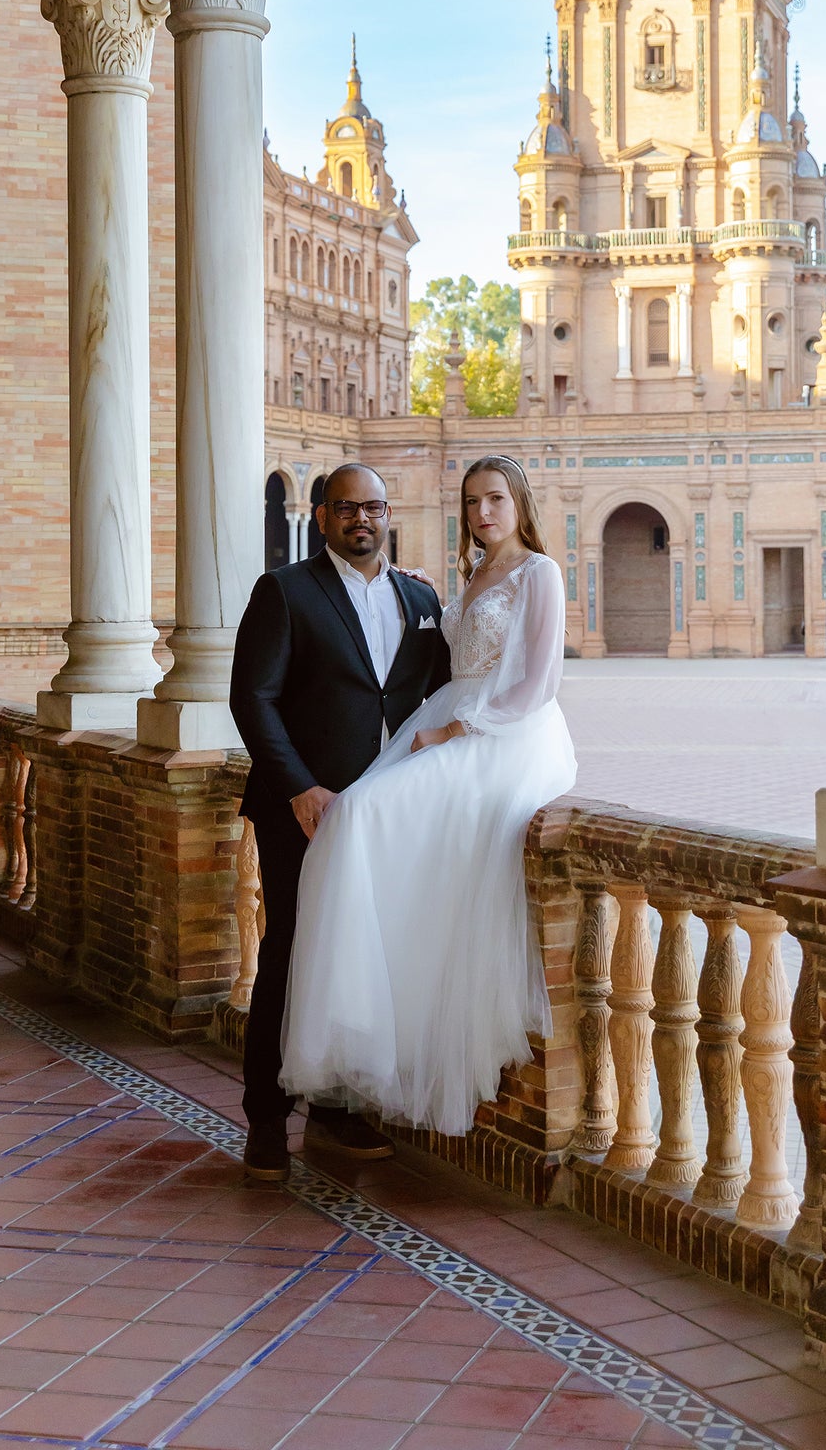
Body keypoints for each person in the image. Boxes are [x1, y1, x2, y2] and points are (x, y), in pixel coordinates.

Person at [280, 456, 575, 1140]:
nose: (482, 513)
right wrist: (430, 602)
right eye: (471, 502)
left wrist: (453, 730)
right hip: (447, 719)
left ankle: (363, 1032)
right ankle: (359, 1029)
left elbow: (538, 683)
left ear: (518, 503)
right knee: (360, 824)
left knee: (356, 814)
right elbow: (451, 652)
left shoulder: (540, 573)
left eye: (495, 499)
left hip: (500, 732)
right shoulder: (471, 576)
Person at [229, 463, 450, 1180]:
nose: (362, 519)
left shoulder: (419, 598)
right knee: (291, 950)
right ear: (321, 516)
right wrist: (297, 787)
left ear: (389, 515)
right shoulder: (285, 591)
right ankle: (265, 1118)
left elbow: (438, 699)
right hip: (307, 814)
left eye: (374, 507)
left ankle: (334, 1107)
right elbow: (252, 699)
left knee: (363, 958)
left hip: (387, 817)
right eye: (346, 507)